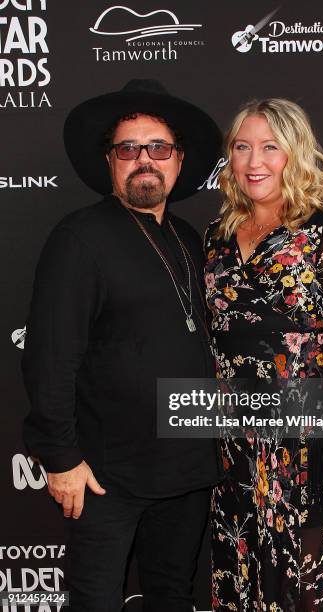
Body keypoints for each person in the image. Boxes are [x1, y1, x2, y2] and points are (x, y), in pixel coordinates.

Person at [22, 79, 225, 612]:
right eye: (128, 149)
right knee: (96, 601)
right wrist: (61, 458)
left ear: (179, 162)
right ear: (109, 162)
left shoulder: (188, 238)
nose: (144, 160)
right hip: (106, 476)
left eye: (158, 148)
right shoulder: (79, 238)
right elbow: (49, 355)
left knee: (172, 597)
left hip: (187, 469)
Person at [204, 98, 323, 611]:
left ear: (296, 154)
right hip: (234, 447)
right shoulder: (218, 235)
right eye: (242, 147)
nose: (253, 162)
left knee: (306, 588)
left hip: (307, 444)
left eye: (270, 147)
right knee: (240, 582)